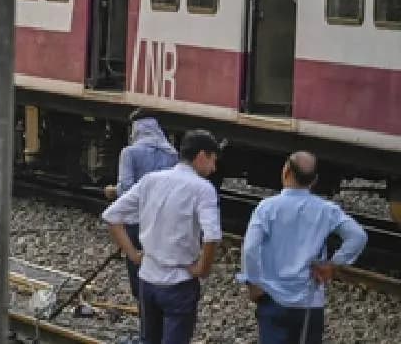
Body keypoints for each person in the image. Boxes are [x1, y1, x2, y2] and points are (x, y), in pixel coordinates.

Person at [102, 129, 223, 344]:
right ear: (202, 155)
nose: (214, 168)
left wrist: (133, 255)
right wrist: (202, 269)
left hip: (147, 279)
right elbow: (212, 235)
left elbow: (111, 216)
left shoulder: (151, 180)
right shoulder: (203, 189)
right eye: (213, 160)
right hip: (179, 282)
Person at [238, 152, 367, 344]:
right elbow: (358, 236)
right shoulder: (326, 210)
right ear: (314, 180)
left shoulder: (266, 208)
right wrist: (333, 265)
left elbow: (250, 249)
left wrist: (253, 283)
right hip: (310, 303)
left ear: (286, 171)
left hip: (273, 299)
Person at [104, 113, 179, 299]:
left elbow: (126, 188)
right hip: (163, 222)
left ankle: (145, 315)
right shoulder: (171, 154)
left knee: (138, 271)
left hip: (137, 222)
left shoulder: (129, 153)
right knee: (160, 270)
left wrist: (112, 190)